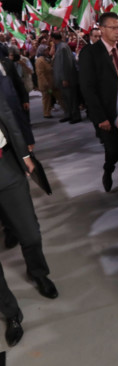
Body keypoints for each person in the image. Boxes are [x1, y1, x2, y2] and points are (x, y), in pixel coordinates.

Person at [0, 91, 58, 313]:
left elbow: (7, 114)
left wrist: (24, 155)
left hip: (6, 165)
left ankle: (38, 272)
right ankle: (10, 311)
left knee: (30, 233)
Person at [79, 12, 118, 196]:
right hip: (106, 114)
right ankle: (108, 169)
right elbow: (88, 88)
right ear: (101, 29)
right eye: (113, 28)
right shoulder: (90, 53)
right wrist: (100, 117)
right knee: (114, 149)